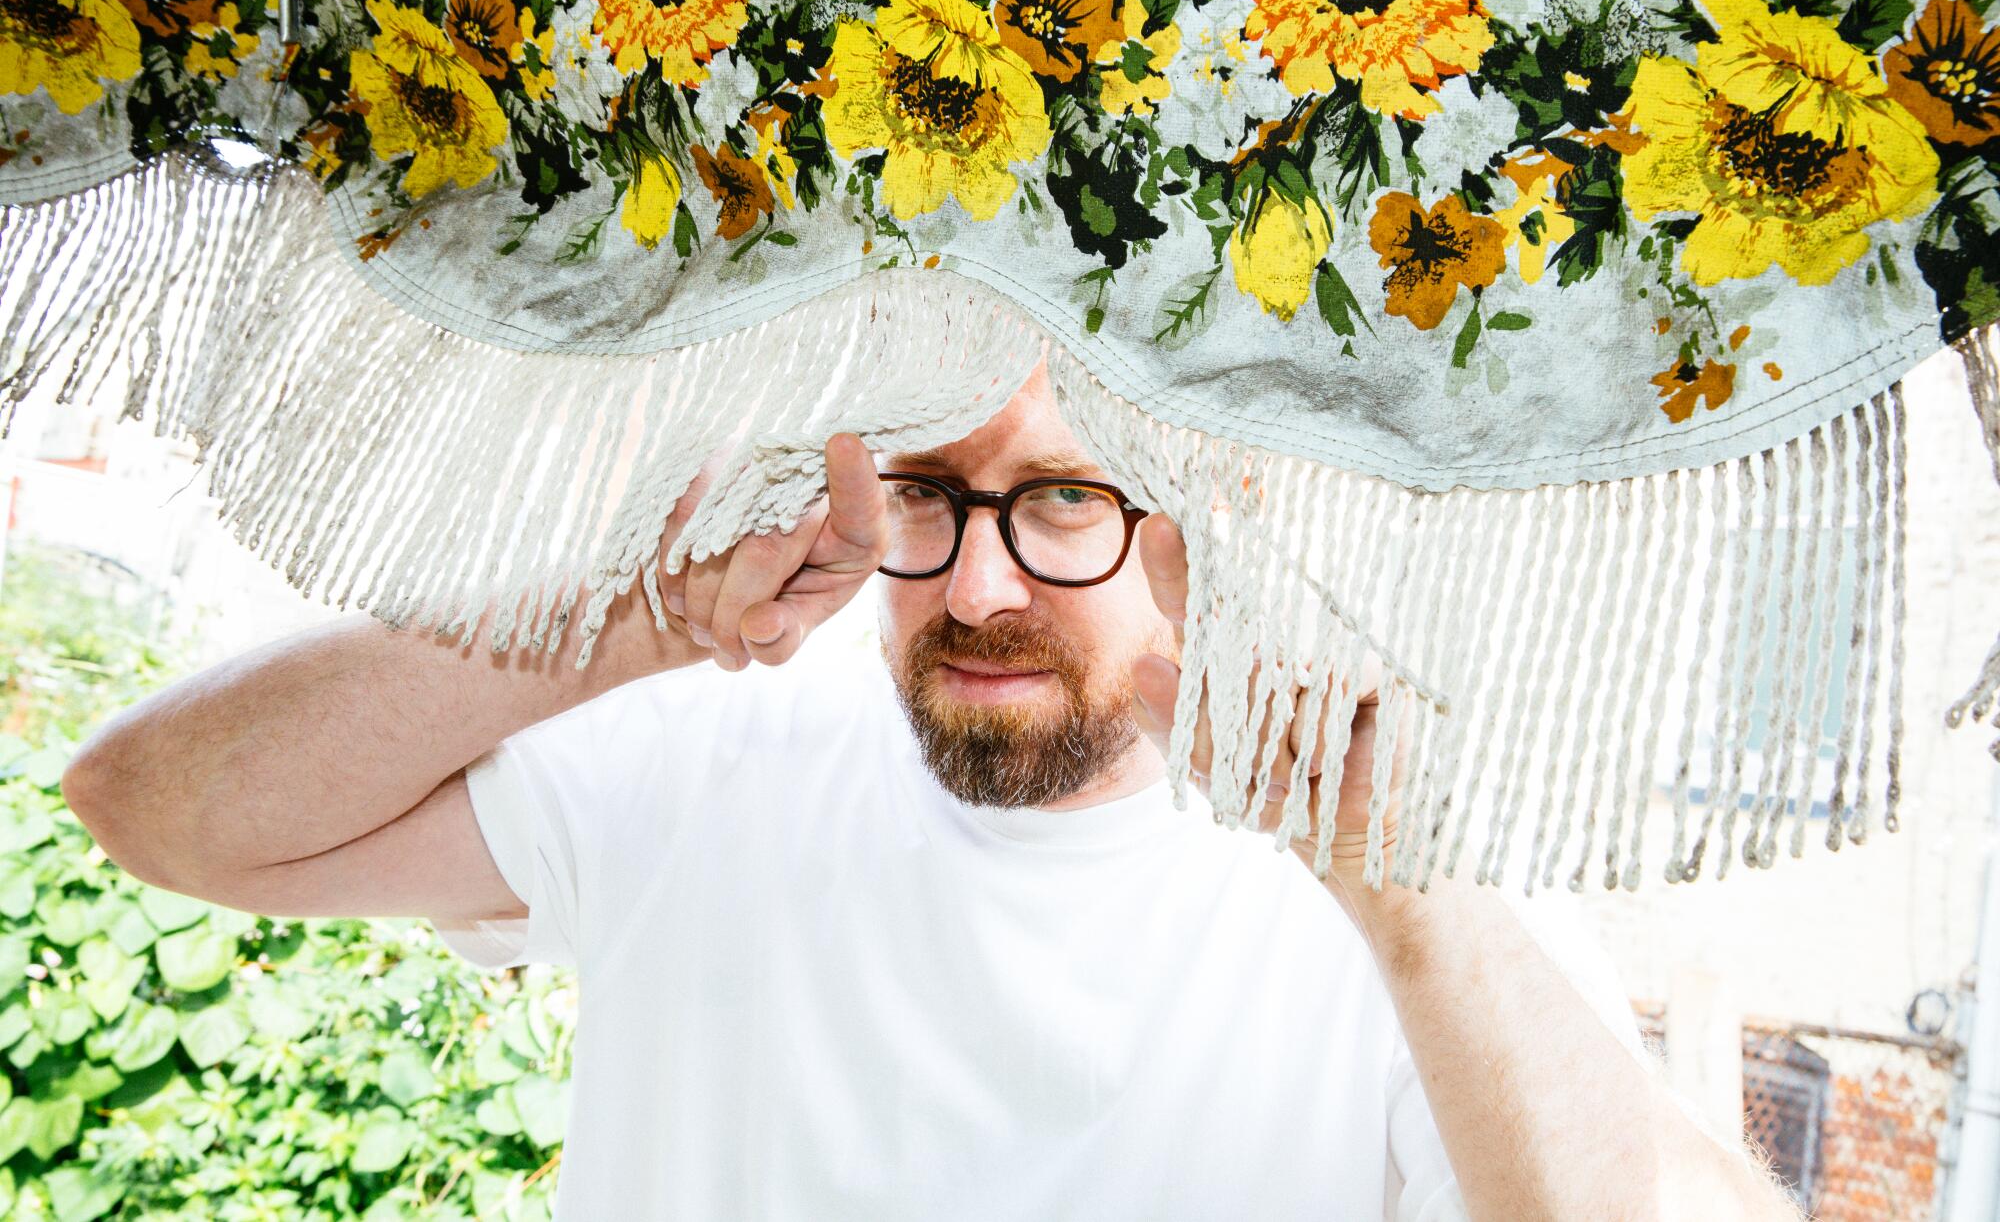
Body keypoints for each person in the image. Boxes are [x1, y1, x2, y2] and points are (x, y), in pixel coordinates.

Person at [61, 357, 1799, 1220]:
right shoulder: (708, 735)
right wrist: (632, 620)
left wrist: (1407, 899)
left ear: (1218, 523)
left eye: (1062, 503)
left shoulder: (1404, 893)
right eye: (928, 495)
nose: (976, 587)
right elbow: (160, 805)